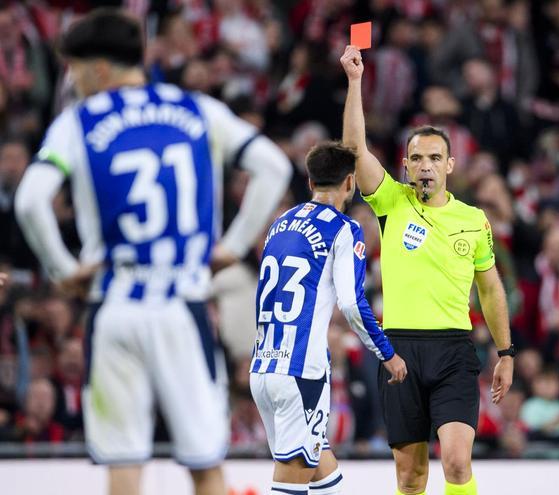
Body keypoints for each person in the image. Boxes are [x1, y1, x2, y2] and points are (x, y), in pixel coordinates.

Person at [14, 9, 292, 495]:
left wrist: (61, 269)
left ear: (99, 69)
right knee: (205, 464)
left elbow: (30, 201)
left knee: (124, 464)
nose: (74, 82)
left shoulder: (77, 123)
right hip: (182, 304)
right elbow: (272, 166)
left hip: (115, 304)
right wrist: (231, 246)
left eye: (76, 70)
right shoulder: (196, 110)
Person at [340, 45, 514, 495]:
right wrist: (356, 82)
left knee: (457, 463)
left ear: (450, 165)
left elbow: (491, 289)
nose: (425, 166)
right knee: (410, 476)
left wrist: (506, 352)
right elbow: (355, 148)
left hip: (453, 350)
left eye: (435, 158)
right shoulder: (391, 201)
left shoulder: (474, 219)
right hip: (398, 349)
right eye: (417, 158)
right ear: (405, 164)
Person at [250, 141, 407, 495]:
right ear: (350, 183)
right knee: (291, 480)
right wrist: (387, 353)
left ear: (310, 182)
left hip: (263, 366)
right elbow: (351, 304)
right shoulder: (344, 228)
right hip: (301, 370)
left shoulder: (279, 224)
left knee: (320, 465)